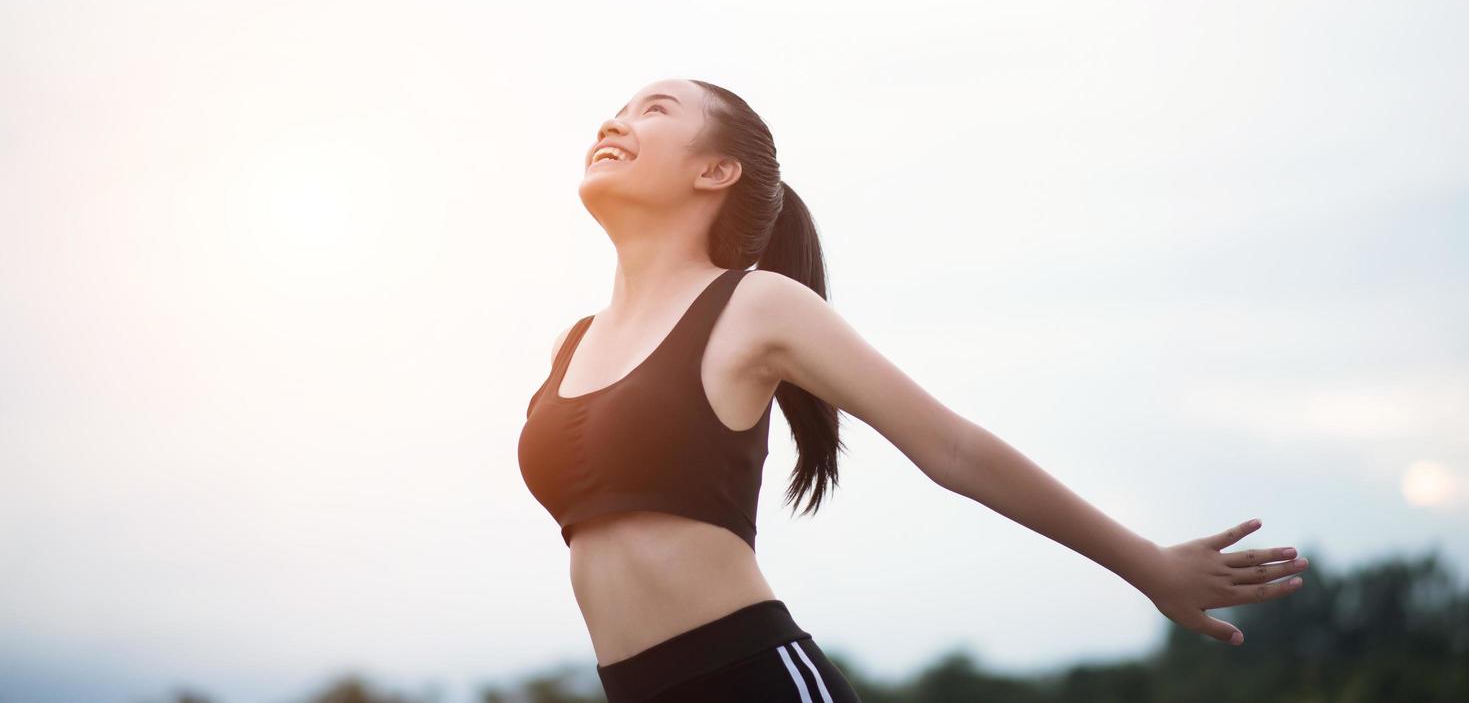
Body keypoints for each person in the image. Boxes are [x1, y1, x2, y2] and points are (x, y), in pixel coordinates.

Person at [518, 78, 1310, 703]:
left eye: (651, 110)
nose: (613, 123)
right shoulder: (571, 343)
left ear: (714, 171)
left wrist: (1145, 565)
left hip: (749, 681)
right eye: (613, 110)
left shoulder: (755, 305)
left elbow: (952, 449)